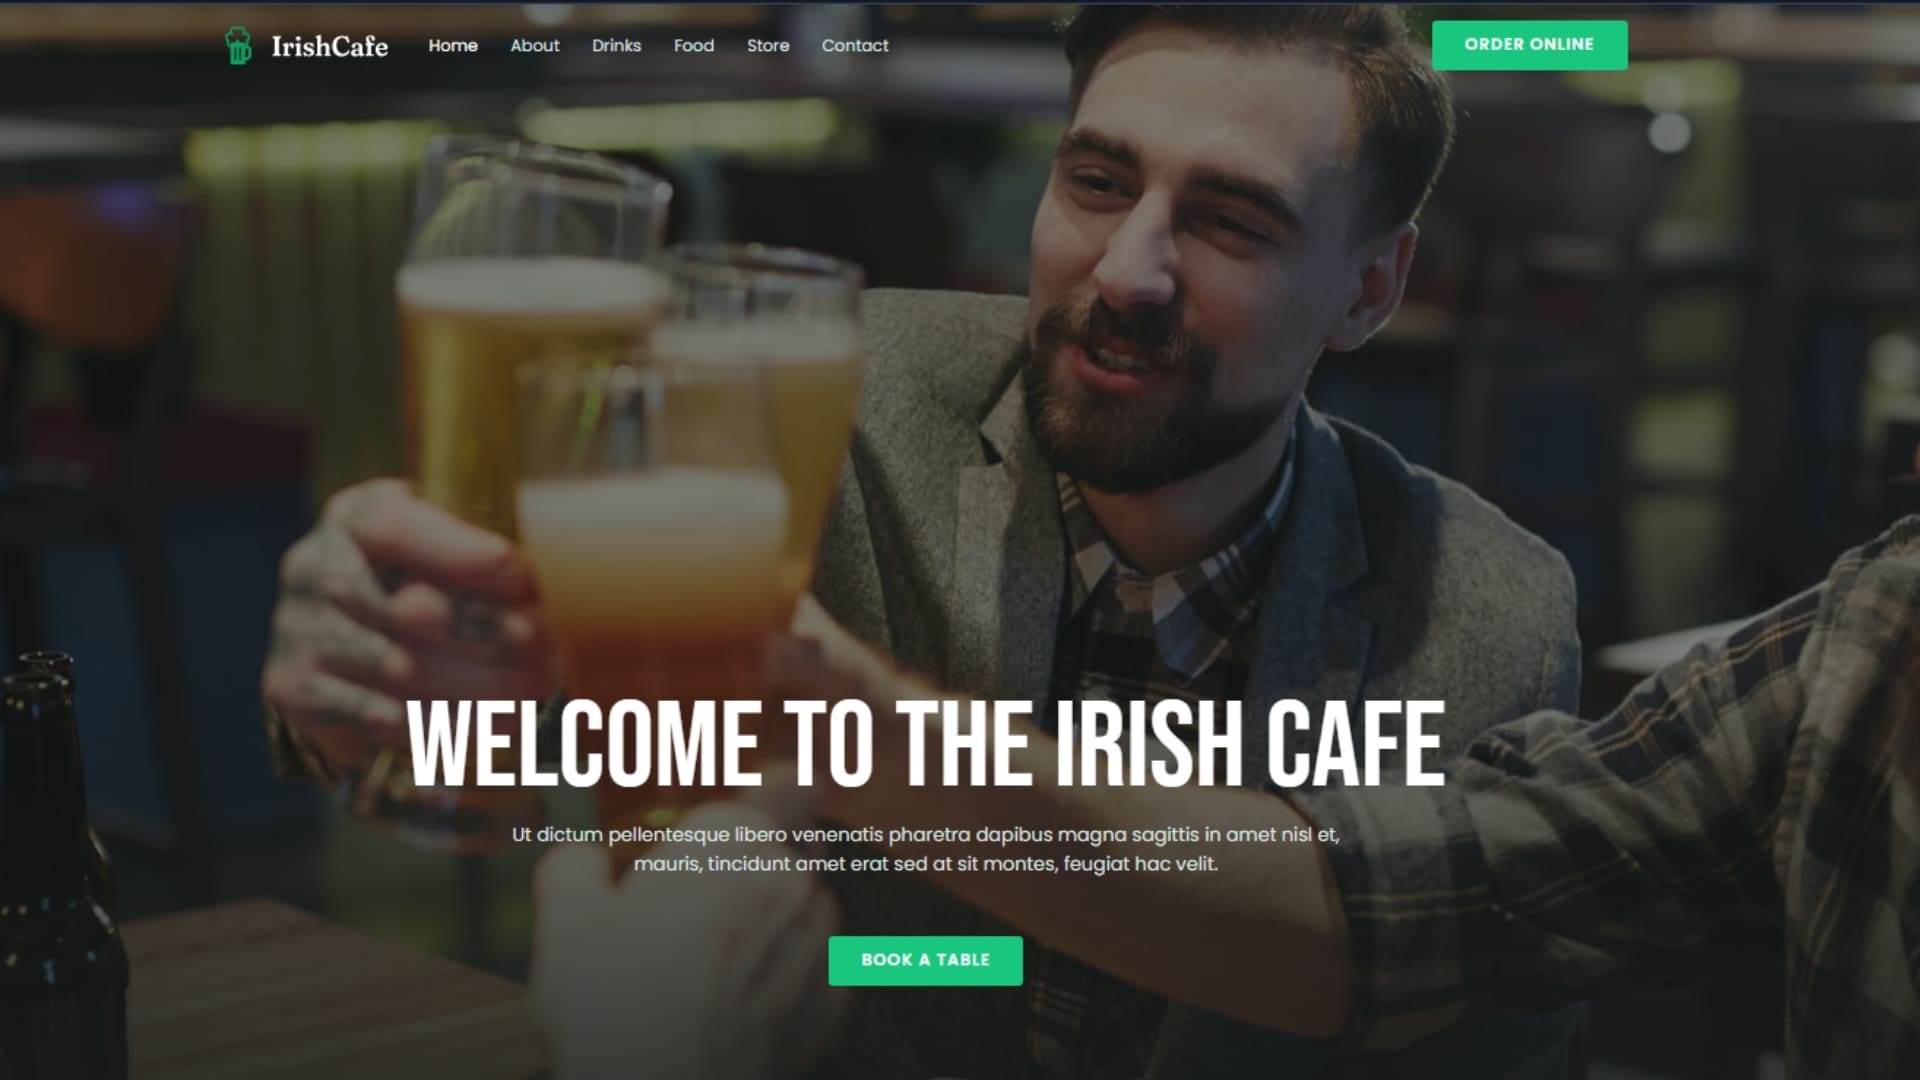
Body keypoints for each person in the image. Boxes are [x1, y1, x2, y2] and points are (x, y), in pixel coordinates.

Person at [263, 5, 1585, 1076]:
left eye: (1232, 220)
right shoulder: (805, 405)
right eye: (1095, 180)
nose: (1127, 269)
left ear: (1369, 287)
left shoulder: (1483, 618)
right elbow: (509, 698)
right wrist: (372, 671)